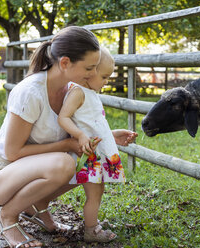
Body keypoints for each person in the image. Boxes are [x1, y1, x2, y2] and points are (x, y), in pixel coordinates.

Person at [0, 26, 137, 248]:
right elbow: (12, 152)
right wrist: (66, 144)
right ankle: (6, 218)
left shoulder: (71, 91)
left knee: (87, 163)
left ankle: (36, 209)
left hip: (26, 170)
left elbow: (73, 135)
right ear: (65, 63)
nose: (94, 75)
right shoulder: (31, 92)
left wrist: (110, 136)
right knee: (65, 161)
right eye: (89, 68)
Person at [58, 47, 137, 242]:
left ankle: (93, 222)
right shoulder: (78, 92)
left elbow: (93, 123)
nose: (106, 81)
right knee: (94, 195)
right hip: (89, 155)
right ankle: (91, 230)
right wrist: (79, 135)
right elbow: (63, 118)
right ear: (89, 73)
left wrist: (112, 135)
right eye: (104, 76)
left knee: (98, 192)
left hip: (96, 153)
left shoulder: (89, 92)